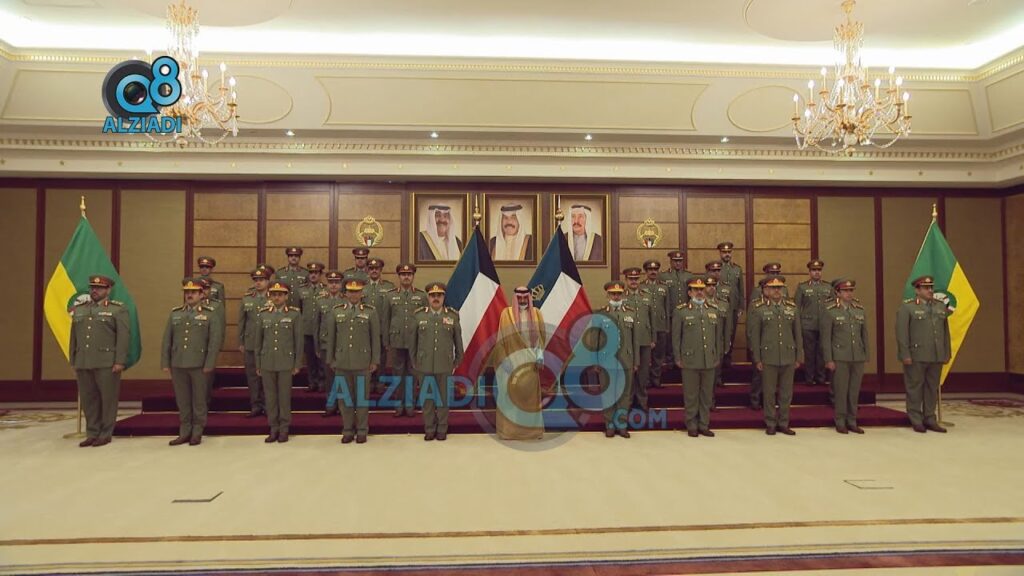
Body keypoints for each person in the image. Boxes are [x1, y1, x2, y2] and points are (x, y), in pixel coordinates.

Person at [69, 275, 129, 447]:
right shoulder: (80, 309)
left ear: (108, 290)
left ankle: (105, 433)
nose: (95, 290)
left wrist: (120, 361)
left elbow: (123, 337)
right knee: (88, 399)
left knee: (107, 399)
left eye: (100, 288)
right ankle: (92, 432)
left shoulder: (117, 310)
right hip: (83, 361)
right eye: (93, 287)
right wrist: (73, 359)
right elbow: (74, 337)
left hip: (107, 362)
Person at [161, 278, 222, 446]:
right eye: (187, 292)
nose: (189, 295)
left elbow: (214, 342)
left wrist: (210, 363)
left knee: (199, 400)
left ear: (202, 294)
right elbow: (167, 340)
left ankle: (197, 431)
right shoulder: (176, 313)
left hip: (199, 363)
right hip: (178, 363)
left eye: (193, 292)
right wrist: (165, 362)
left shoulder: (210, 314)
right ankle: (184, 431)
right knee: (183, 400)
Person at [326, 280, 380, 444]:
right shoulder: (336, 311)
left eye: (357, 291)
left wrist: (374, 360)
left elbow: (375, 338)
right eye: (350, 291)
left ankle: (362, 430)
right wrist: (331, 359)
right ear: (345, 293)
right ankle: (348, 430)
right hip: (342, 362)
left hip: (363, 362)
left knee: (362, 399)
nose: (354, 294)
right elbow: (331, 338)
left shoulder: (370, 312)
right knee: (344, 400)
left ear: (361, 293)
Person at [748, 276, 803, 436]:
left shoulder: (792, 308)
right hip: (768, 356)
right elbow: (755, 336)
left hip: (788, 355)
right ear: (767, 290)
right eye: (773, 288)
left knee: (786, 393)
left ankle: (784, 422)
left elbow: (798, 334)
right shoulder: (759, 309)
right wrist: (757, 359)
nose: (777, 291)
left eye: (779, 287)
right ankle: (771, 422)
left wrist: (799, 356)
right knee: (769, 392)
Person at [896, 275, 951, 434]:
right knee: (915, 388)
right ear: (917, 290)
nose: (930, 290)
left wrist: (946, 352)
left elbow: (945, 332)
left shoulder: (940, 307)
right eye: (926, 288)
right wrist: (905, 354)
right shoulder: (908, 308)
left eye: (931, 287)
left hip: (936, 355)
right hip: (916, 355)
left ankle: (930, 418)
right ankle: (915, 418)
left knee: (932, 388)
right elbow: (902, 333)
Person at [410, 282, 464, 441]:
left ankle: (442, 428)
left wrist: (457, 361)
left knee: (443, 399)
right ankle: (429, 428)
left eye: (439, 295)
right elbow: (413, 343)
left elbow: (458, 342)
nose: (435, 298)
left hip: (444, 364)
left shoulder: (452, 316)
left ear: (443, 297)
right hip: (424, 365)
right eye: (432, 295)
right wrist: (414, 361)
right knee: (427, 400)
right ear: (428, 297)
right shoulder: (419, 315)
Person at [672, 278, 725, 437]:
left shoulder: (713, 310)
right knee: (691, 395)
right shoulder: (681, 311)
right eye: (696, 290)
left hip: (709, 359)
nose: (700, 292)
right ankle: (691, 424)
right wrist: (677, 357)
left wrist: (717, 354)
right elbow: (676, 337)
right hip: (690, 359)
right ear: (689, 293)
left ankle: (704, 424)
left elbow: (718, 337)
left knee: (706, 395)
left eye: (702, 289)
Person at [494, 286, 547, 440]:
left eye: (525, 297)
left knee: (529, 399)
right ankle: (509, 432)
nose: (522, 300)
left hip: (530, 363)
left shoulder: (536, 313)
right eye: (519, 297)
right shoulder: (506, 314)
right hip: (510, 362)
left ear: (529, 297)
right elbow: (500, 340)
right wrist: (504, 361)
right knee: (509, 397)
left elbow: (541, 337)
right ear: (515, 297)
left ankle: (531, 432)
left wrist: (540, 356)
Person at [588, 281, 639, 438]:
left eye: (618, 294)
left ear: (622, 294)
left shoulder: (631, 313)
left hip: (626, 359)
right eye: (613, 294)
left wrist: (636, 361)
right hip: (606, 361)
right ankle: (609, 425)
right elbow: (594, 340)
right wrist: (595, 361)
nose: (616, 296)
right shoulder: (600, 314)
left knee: (624, 395)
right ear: (607, 295)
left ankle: (622, 425)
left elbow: (635, 340)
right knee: (608, 394)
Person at [255, 281, 303, 443]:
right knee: (270, 398)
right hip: (267, 361)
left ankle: (284, 428)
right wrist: (258, 363)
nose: (277, 298)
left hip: (285, 362)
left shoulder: (294, 315)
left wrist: (297, 363)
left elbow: (298, 341)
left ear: (286, 296)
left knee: (284, 397)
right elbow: (258, 342)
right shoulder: (263, 314)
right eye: (274, 295)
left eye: (280, 295)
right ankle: (273, 427)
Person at [821, 279, 869, 434]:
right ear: (837, 292)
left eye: (851, 290)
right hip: (840, 356)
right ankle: (840, 420)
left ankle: (852, 420)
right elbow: (826, 338)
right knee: (841, 391)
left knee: (854, 390)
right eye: (845, 291)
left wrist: (866, 354)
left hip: (857, 356)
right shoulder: (830, 310)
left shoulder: (859, 309)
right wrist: (828, 359)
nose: (849, 293)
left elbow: (864, 334)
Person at [382, 263, 427, 416]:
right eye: (403, 274)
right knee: (398, 375)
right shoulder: (390, 296)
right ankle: (399, 404)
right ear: (399, 277)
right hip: (397, 340)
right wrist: (386, 341)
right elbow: (386, 320)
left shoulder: (421, 296)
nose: (406, 277)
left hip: (415, 342)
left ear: (413, 276)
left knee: (413, 374)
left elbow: (424, 320)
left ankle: (410, 404)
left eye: (409, 274)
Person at [795, 259, 834, 388]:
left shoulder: (828, 287)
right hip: (808, 325)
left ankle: (821, 378)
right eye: (814, 270)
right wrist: (798, 325)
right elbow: (796, 308)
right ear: (809, 272)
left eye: (819, 270)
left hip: (824, 325)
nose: (817, 272)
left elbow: (834, 306)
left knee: (822, 352)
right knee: (810, 353)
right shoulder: (803, 287)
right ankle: (809, 378)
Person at [238, 268, 270, 417]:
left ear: (268, 281)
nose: (258, 283)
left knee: (267, 376)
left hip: (267, 343)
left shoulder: (274, 297)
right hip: (250, 342)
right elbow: (242, 322)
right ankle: (255, 405)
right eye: (256, 280)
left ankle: (268, 405)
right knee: (252, 376)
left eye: (261, 280)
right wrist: (241, 341)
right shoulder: (247, 298)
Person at [622, 267, 655, 410]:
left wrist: (653, 338)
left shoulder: (646, 296)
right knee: (629, 374)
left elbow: (652, 319)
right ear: (626, 280)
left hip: (644, 340)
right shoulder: (621, 296)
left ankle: (642, 401)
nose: (634, 281)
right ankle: (628, 402)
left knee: (643, 374)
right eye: (631, 279)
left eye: (636, 279)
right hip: (628, 342)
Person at [318, 271, 345, 417]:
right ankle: (330, 405)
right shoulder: (320, 301)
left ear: (341, 285)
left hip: (342, 346)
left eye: (336, 282)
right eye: (331, 282)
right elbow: (316, 325)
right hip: (326, 344)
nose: (334, 285)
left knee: (342, 377)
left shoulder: (346, 301)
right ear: (327, 284)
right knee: (329, 377)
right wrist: (317, 345)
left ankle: (342, 405)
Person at [704, 275, 733, 408]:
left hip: (717, 345)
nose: (711, 288)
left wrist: (726, 344)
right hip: (701, 346)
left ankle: (711, 402)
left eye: (713, 286)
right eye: (708, 286)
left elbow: (727, 327)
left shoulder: (723, 304)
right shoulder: (698, 304)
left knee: (714, 376)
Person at [641, 259, 670, 389]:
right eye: (650, 270)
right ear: (646, 272)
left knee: (659, 355)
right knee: (646, 356)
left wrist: (667, 326)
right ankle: (646, 379)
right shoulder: (641, 287)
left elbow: (667, 308)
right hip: (646, 327)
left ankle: (656, 379)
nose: (653, 272)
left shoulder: (664, 287)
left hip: (660, 325)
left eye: (655, 269)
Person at [299, 262, 327, 392]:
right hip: (307, 329)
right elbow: (299, 310)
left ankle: (322, 382)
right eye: (311, 273)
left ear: (320, 275)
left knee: (321, 358)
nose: (313, 275)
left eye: (316, 273)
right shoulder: (302, 290)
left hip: (322, 330)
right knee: (310, 358)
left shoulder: (326, 290)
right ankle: (312, 382)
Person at [716, 241, 744, 367]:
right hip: (719, 307)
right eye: (724, 252)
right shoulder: (716, 268)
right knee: (719, 333)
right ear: (720, 253)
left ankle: (728, 357)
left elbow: (741, 289)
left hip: (733, 307)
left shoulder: (737, 269)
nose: (727, 254)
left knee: (731, 332)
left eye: (729, 252)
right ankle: (719, 359)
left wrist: (741, 306)